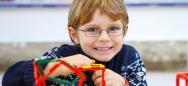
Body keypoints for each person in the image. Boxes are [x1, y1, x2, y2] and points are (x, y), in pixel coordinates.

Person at [2, 0, 148, 86]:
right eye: (92, 29)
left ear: (124, 30)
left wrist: (124, 84)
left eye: (113, 28)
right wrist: (51, 69)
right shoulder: (62, 57)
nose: (104, 38)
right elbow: (9, 80)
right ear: (75, 35)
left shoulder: (129, 57)